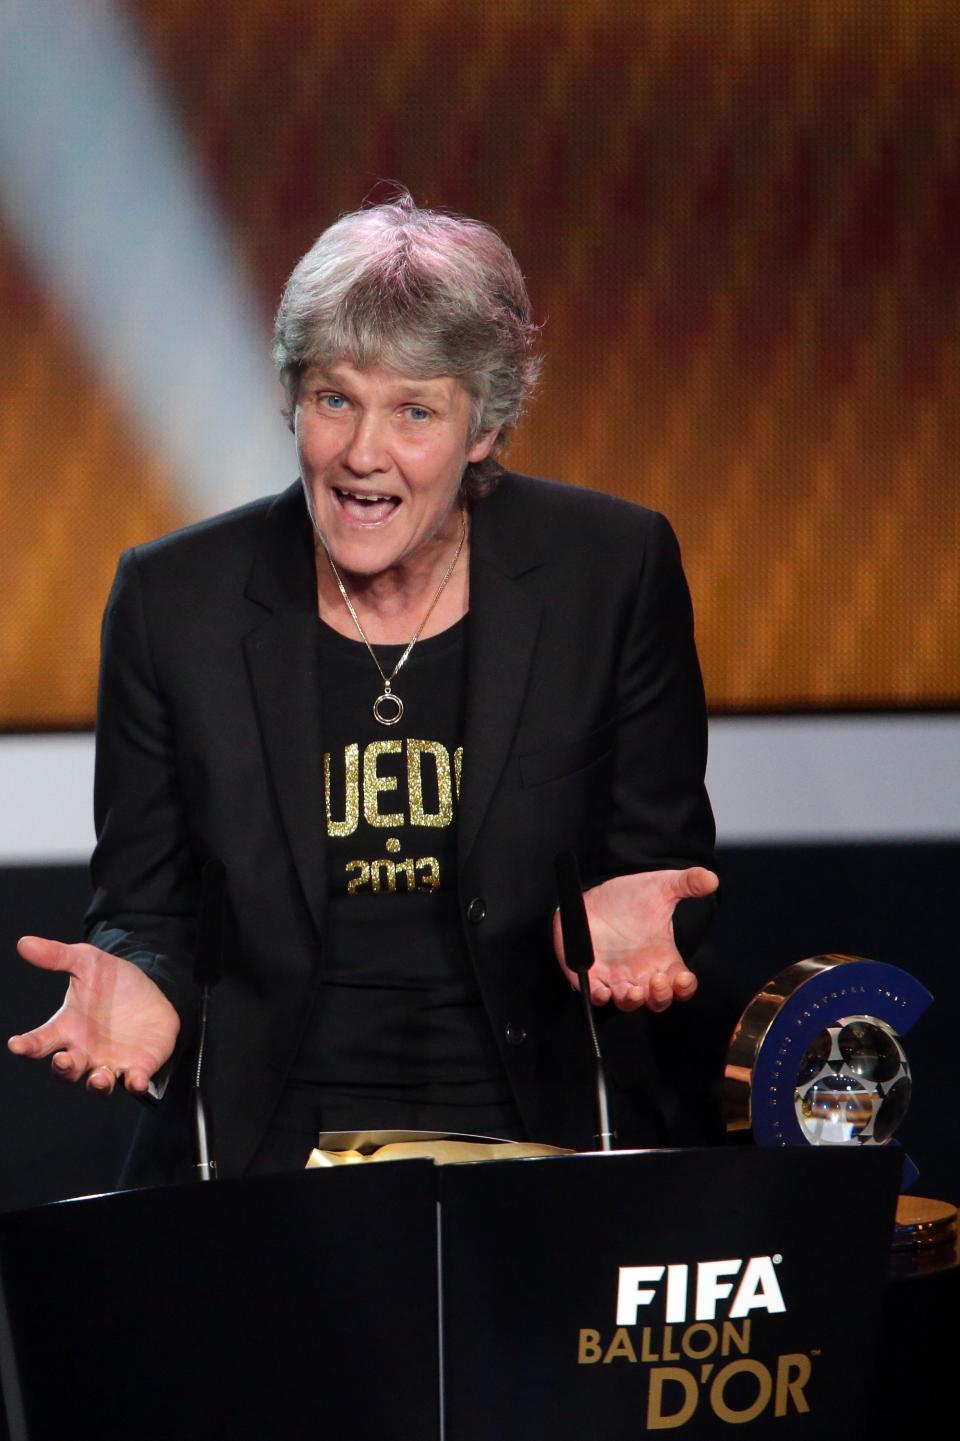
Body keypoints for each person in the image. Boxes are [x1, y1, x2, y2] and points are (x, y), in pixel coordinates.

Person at [9, 194, 718, 1184]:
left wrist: (635, 927)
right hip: (267, 1136)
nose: (361, 453)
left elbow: (662, 863)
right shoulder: (176, 598)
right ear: (292, 400)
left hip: (535, 1118)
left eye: (414, 410)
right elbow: (145, 898)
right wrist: (146, 976)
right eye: (334, 398)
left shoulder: (611, 568)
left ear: (485, 425)